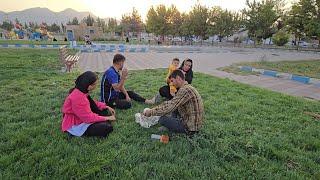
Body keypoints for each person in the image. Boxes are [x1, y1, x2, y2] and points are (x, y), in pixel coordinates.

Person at [143, 70, 204, 134]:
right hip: (194, 123)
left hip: (190, 128)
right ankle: (172, 122)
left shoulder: (184, 90)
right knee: (174, 107)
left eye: (172, 81)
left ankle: (172, 126)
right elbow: (172, 103)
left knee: (162, 119)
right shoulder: (187, 87)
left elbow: (170, 107)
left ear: (178, 78)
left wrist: (151, 112)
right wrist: (155, 109)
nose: (171, 83)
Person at [61, 71, 116, 138]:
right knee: (107, 127)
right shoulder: (78, 98)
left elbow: (92, 102)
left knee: (105, 112)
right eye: (95, 84)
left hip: (81, 118)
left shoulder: (81, 91)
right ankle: (77, 133)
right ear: (89, 86)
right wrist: (107, 118)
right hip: (75, 125)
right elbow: (88, 118)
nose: (96, 85)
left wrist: (106, 106)